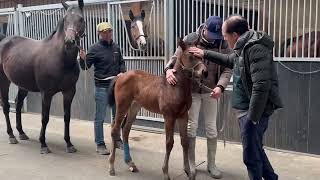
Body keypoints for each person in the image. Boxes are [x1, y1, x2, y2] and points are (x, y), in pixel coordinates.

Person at [189, 15, 283, 180]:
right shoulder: (244, 46)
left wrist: (252, 119)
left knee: (251, 156)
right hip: (247, 111)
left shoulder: (255, 49)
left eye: (225, 35)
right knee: (256, 149)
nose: (224, 39)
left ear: (235, 35)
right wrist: (204, 53)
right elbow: (229, 60)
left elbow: (261, 86)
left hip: (253, 113)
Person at [164, 16, 232, 179]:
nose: (215, 40)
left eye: (218, 37)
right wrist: (168, 69)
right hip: (191, 92)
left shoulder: (223, 43)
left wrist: (220, 86)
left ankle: (211, 164)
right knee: (191, 127)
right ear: (205, 29)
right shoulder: (190, 39)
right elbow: (175, 58)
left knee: (211, 127)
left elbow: (228, 68)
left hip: (211, 90)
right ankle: (191, 163)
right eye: (212, 36)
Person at [79, 22, 125, 155]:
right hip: (102, 88)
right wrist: (82, 59)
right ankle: (100, 143)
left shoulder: (116, 47)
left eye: (109, 31)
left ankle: (116, 139)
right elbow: (85, 66)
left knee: (118, 116)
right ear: (99, 34)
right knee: (100, 117)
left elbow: (121, 62)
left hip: (117, 88)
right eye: (104, 32)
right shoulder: (94, 49)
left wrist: (122, 71)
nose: (108, 34)